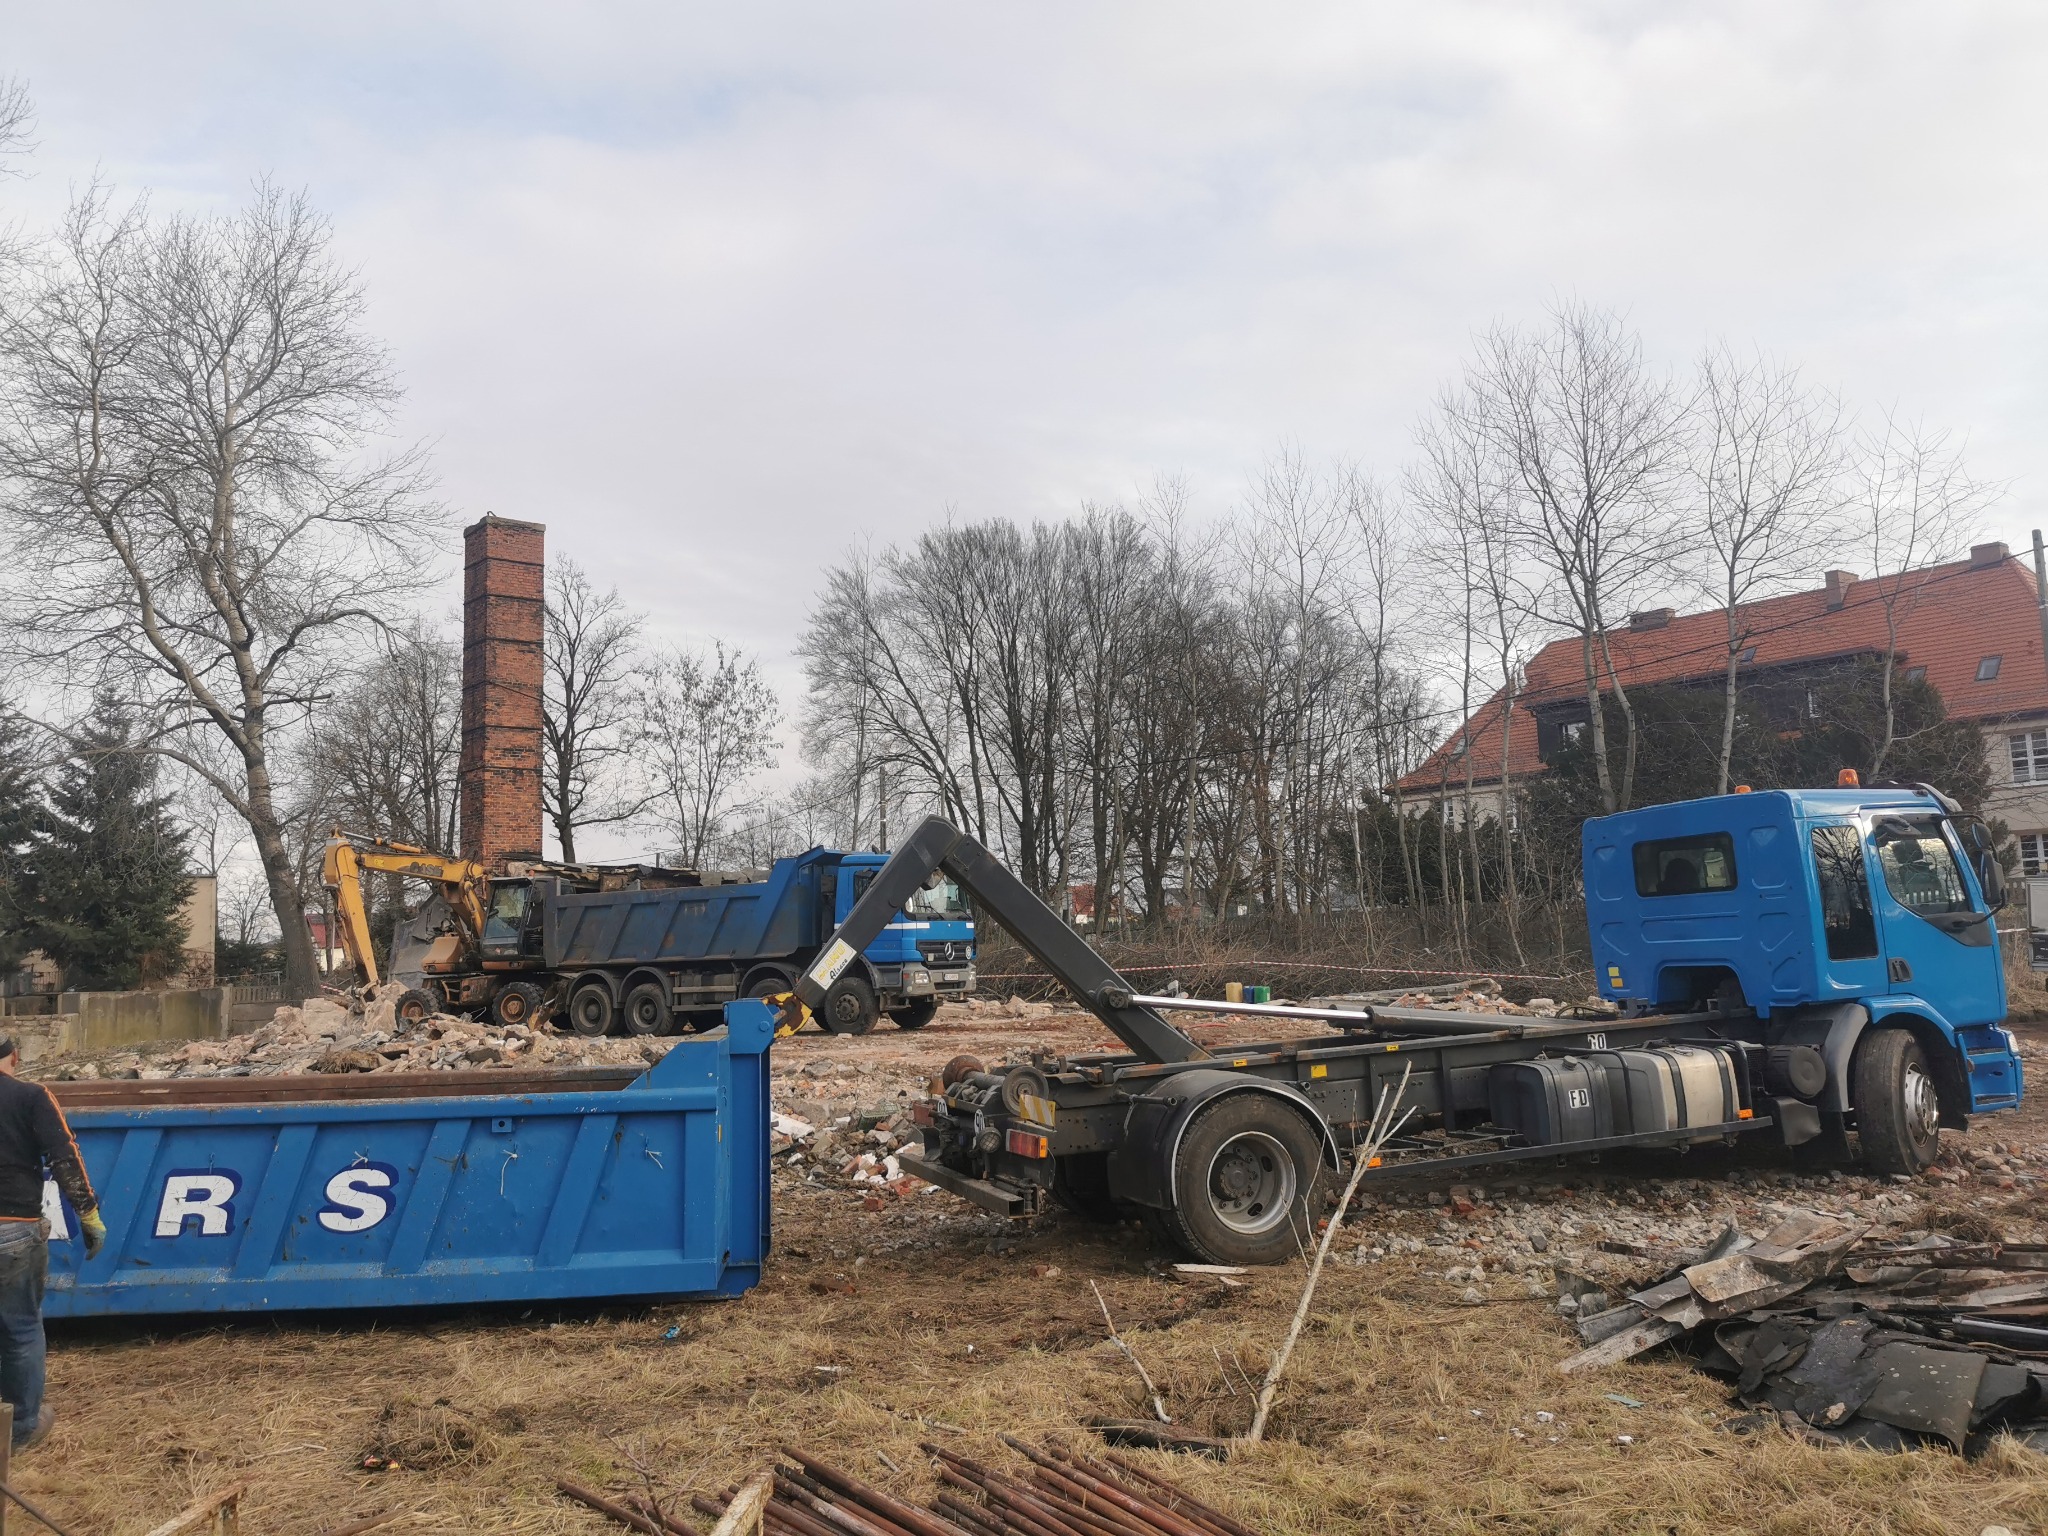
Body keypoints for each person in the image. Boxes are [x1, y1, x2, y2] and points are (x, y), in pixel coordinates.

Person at [0, 1035, 102, 1453]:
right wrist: (89, 1214)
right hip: (13, 1230)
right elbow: (65, 1157)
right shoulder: (31, 1097)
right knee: (21, 1329)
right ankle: (21, 1429)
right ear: (15, 1056)